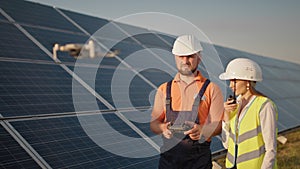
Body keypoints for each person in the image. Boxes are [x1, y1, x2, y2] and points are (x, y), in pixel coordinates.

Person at [150, 35, 224, 169]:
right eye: (181, 56)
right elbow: (154, 124)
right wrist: (162, 128)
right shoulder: (164, 89)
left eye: (190, 56)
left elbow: (218, 126)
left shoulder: (211, 89)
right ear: (175, 57)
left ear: (199, 58)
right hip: (168, 163)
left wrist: (201, 130)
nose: (185, 61)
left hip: (199, 163)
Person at [219, 58, 278, 169]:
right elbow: (226, 144)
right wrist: (226, 115)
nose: (231, 85)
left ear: (247, 81)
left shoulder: (265, 106)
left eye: (234, 81)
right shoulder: (235, 105)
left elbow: (271, 149)